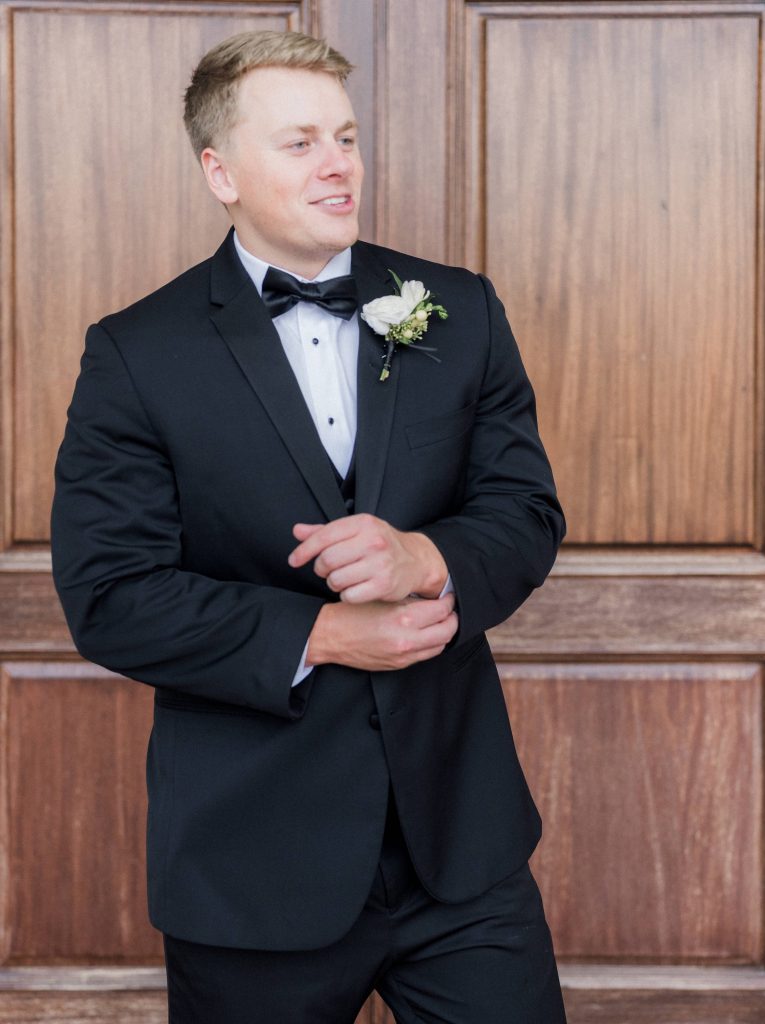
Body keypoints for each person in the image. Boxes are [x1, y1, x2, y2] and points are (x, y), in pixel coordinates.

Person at [51, 28, 567, 1024]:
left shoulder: (458, 309)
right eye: (299, 143)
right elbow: (110, 596)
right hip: (251, 867)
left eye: (346, 136)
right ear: (221, 172)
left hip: (461, 852)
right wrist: (322, 634)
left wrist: (425, 556)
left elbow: (525, 509)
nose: (339, 165)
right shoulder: (135, 353)